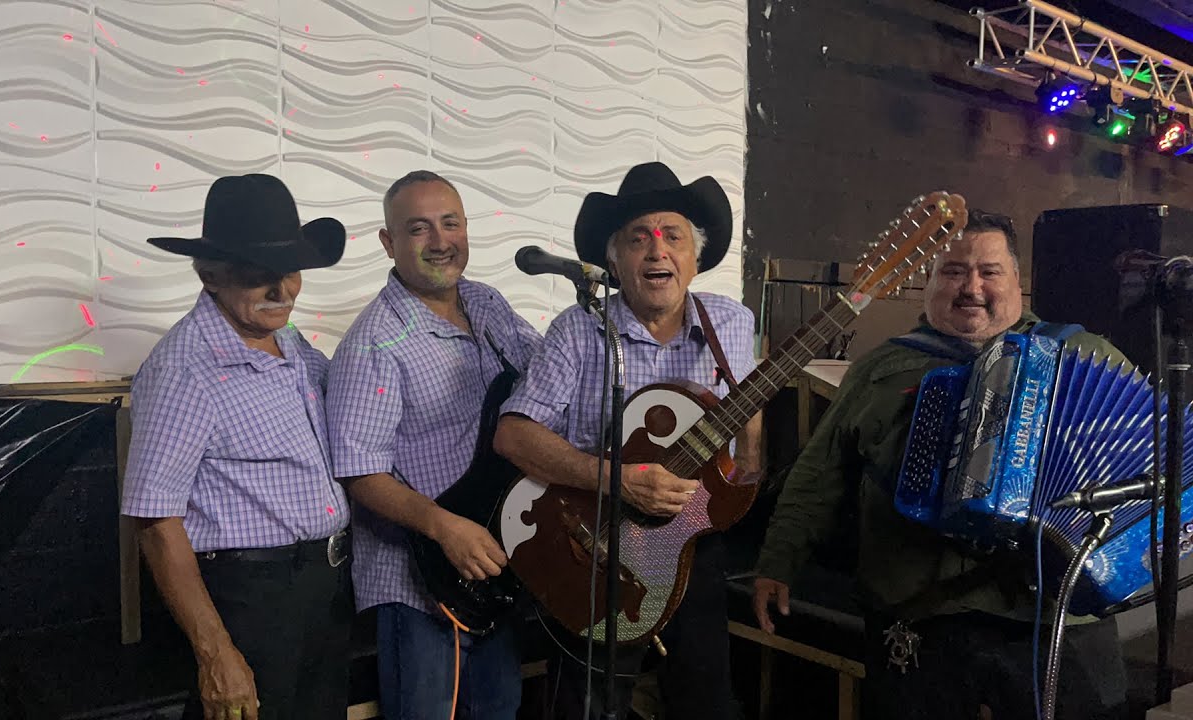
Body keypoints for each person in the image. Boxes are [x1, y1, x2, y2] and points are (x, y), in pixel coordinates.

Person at [753, 210, 1130, 720]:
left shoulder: (1084, 354)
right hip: (920, 613)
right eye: (952, 271)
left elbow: (1141, 465)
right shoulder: (883, 367)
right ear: (927, 282)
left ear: (1019, 281)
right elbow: (818, 477)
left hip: (1052, 614)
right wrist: (778, 563)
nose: (970, 287)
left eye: (989, 272)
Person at [493, 161, 762, 719]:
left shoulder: (732, 323)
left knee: (707, 702)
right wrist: (619, 480)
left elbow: (748, 423)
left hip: (693, 540)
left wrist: (744, 472)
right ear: (614, 260)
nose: (657, 250)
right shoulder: (579, 329)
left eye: (673, 236)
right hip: (592, 547)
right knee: (589, 708)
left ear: (695, 255)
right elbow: (513, 435)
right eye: (639, 238)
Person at [120, 174, 354, 720]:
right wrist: (216, 651)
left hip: (322, 590)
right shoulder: (184, 369)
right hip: (249, 599)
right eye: (258, 276)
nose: (282, 291)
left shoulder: (292, 345)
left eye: (290, 273)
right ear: (210, 276)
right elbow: (154, 521)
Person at [327, 170, 542, 719]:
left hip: (493, 562)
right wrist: (446, 528)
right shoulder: (376, 341)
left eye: (451, 223)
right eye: (419, 228)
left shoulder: (487, 304)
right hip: (421, 578)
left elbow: (544, 377)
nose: (440, 241)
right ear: (388, 242)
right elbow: (358, 470)